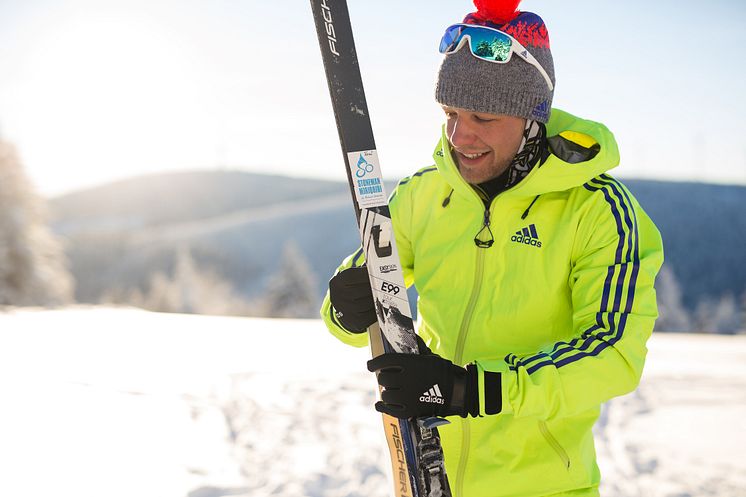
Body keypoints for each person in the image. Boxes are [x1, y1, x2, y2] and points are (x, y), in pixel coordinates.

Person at [320, 1, 664, 495]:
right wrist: (346, 308)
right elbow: (346, 318)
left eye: (482, 115)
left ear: (531, 118)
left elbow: (612, 353)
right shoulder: (422, 196)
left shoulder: (598, 211)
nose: (460, 136)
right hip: (428, 475)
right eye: (450, 113)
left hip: (545, 487)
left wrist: (473, 390)